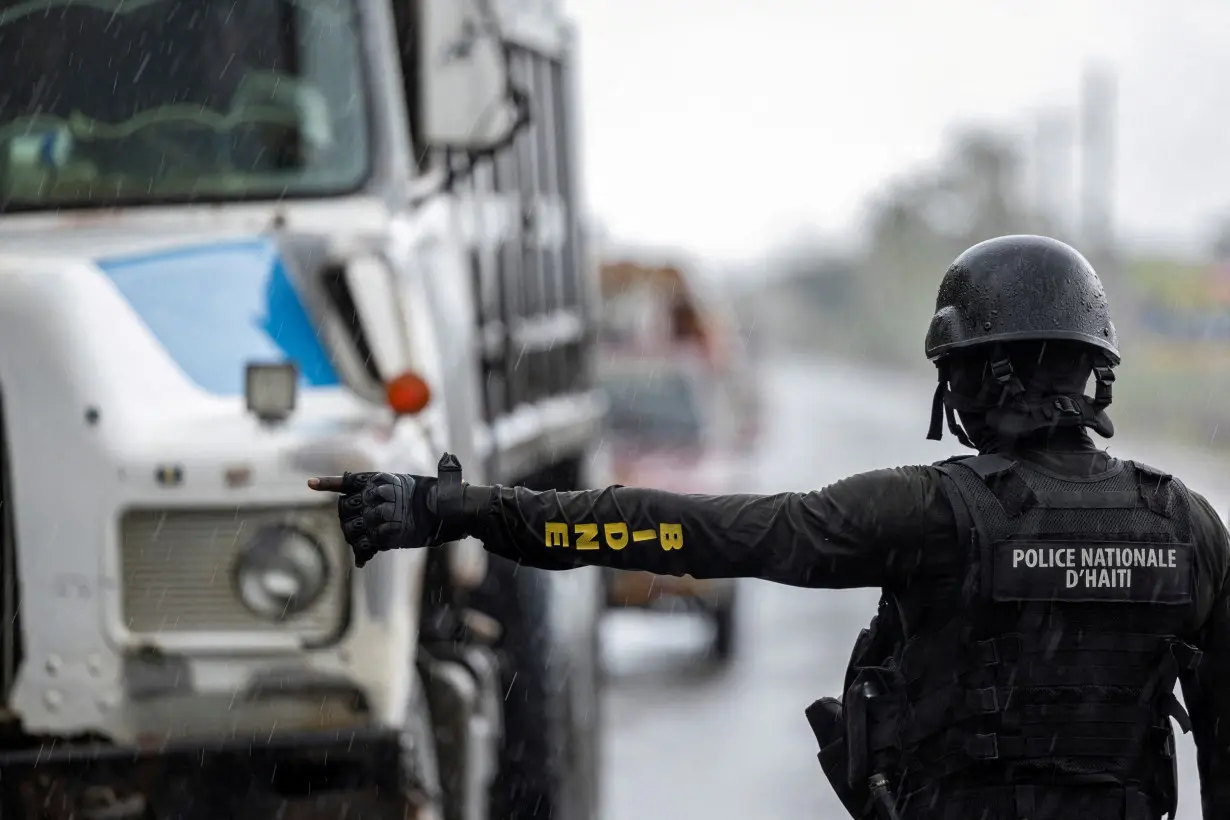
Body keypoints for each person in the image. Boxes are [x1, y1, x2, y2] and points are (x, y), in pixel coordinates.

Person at [310, 235, 1230, 820]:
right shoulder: (1188, 527)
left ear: (973, 379)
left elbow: (681, 531)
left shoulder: (924, 512)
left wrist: (461, 510)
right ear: (1092, 375)